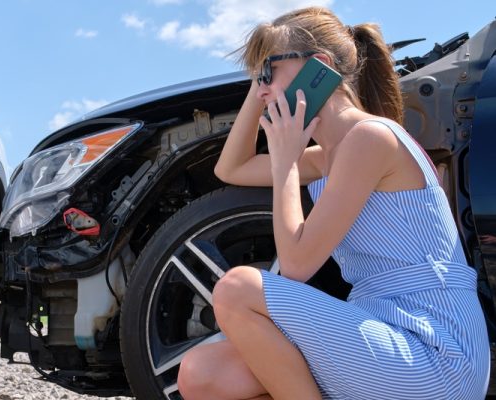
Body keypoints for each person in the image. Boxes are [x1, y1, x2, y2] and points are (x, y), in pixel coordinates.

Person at [176, 6, 490, 400]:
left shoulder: (371, 138)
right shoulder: (327, 155)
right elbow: (232, 167)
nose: (263, 87)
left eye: (268, 71)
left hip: (434, 350)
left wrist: (287, 160)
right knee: (202, 372)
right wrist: (261, 92)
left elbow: (295, 266)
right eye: (258, 76)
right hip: (380, 330)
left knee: (237, 288)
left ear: (319, 68)